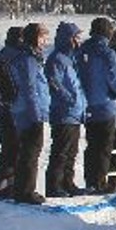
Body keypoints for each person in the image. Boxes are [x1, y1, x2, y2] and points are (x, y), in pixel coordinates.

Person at [79, 16, 116, 194]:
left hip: (86, 103)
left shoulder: (83, 49)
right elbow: (112, 79)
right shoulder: (108, 53)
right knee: (105, 145)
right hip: (106, 104)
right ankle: (100, 182)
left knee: (91, 144)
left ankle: (90, 180)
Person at [7, 22, 51, 203]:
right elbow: (29, 88)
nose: (45, 42)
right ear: (35, 38)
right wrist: (36, 114)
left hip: (30, 110)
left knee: (29, 152)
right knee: (30, 152)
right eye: (43, 38)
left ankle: (23, 189)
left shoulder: (31, 57)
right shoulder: (28, 59)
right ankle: (25, 191)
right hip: (29, 112)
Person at [45, 21, 88, 197]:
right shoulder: (56, 59)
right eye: (76, 37)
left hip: (75, 113)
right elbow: (54, 82)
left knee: (71, 152)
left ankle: (68, 183)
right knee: (61, 151)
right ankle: (54, 186)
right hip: (63, 112)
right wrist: (68, 99)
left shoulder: (71, 59)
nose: (79, 41)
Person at [0, 25, 24, 198]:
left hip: (1, 110)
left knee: (9, 147)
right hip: (11, 111)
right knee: (14, 147)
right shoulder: (14, 58)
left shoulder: (1, 57)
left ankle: (5, 183)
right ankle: (8, 184)